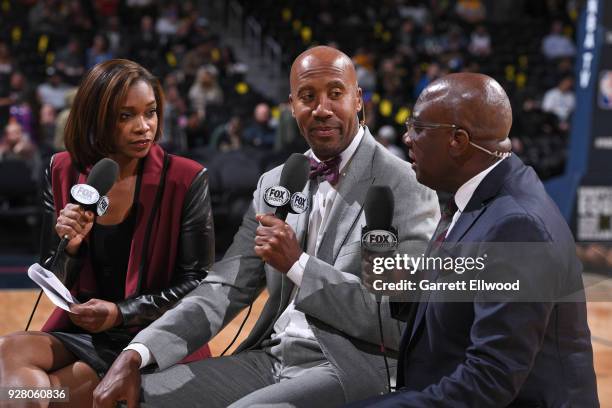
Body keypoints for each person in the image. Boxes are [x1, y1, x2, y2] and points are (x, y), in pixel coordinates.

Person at [92, 46, 439, 408]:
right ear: (292, 106)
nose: (321, 109)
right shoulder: (275, 183)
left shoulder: (404, 186)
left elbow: (397, 316)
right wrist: (137, 353)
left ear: (357, 99)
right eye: (308, 97)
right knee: (138, 396)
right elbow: (224, 287)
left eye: (335, 93)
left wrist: (298, 265)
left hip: (351, 364)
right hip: (273, 357)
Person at [350, 73, 598, 406]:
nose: (406, 138)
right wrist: (404, 286)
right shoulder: (479, 193)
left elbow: (490, 379)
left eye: (418, 128)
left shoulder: (517, 227)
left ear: (458, 141)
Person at [0, 59, 214, 408]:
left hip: (150, 333)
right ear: (95, 118)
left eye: (151, 112)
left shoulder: (186, 178)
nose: (143, 127)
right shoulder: (61, 170)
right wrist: (68, 247)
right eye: (125, 116)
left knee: (44, 391)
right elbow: (52, 279)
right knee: (8, 351)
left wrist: (120, 312)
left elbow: (199, 284)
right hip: (84, 328)